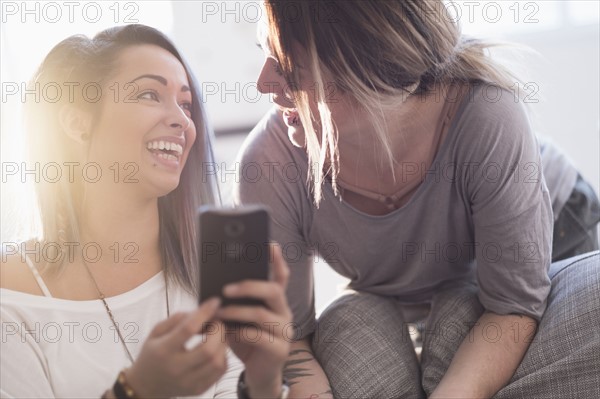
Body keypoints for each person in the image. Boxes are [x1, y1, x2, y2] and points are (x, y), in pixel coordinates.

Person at [234, 1, 600, 398]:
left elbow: (512, 306)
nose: (263, 84)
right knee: (358, 335)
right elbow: (287, 335)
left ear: (374, 73)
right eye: (265, 55)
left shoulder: (488, 115)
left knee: (470, 335)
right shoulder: (267, 163)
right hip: (401, 283)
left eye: (288, 68)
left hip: (552, 237)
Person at [1, 24, 292, 399]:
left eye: (185, 104)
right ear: (77, 122)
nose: (182, 121)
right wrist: (134, 391)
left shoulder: (211, 277)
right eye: (149, 94)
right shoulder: (12, 297)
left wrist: (264, 382)